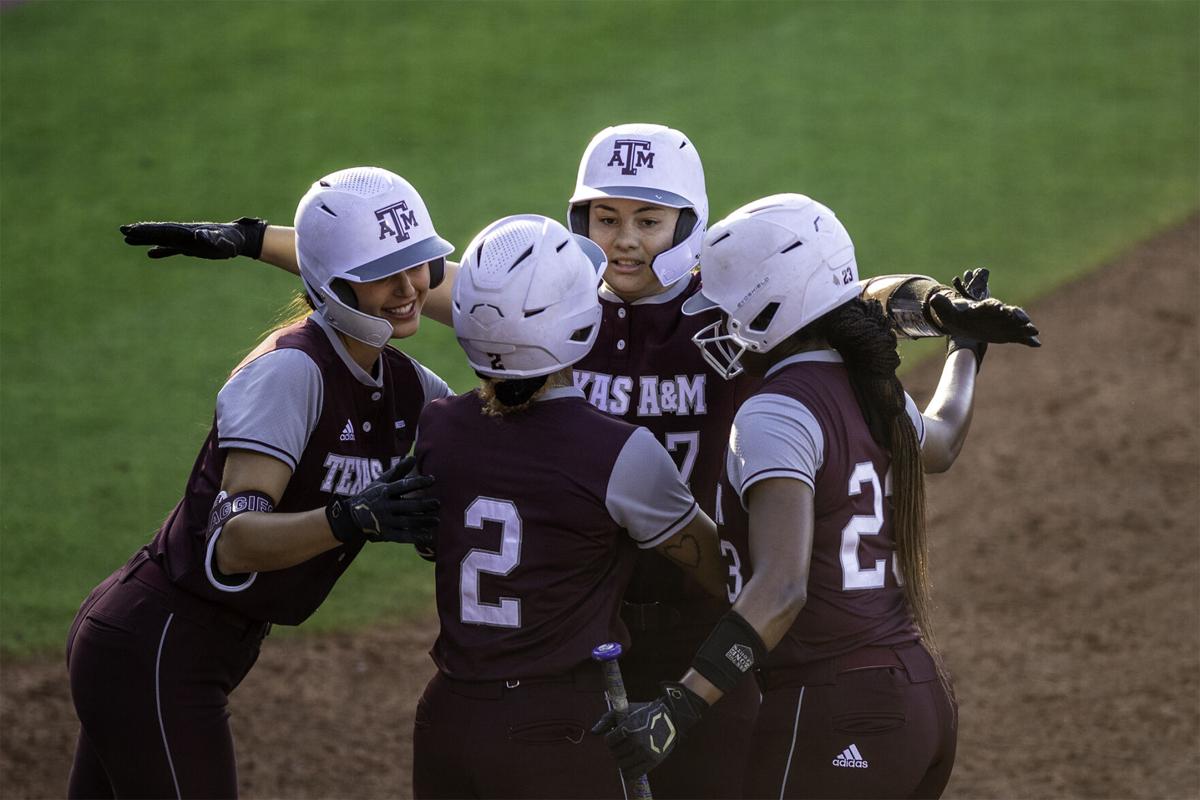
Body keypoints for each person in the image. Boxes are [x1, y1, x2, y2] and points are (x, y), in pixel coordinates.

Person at [119, 124, 1039, 798]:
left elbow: (843, 292)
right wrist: (256, 240)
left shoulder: (730, 307)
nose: (626, 239)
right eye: (606, 217)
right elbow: (398, 282)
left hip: (703, 621)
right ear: (578, 219)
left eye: (650, 220)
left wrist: (929, 304)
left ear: (692, 226)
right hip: (590, 625)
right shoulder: (546, 305)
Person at [595, 194, 1007, 799]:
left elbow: (782, 589)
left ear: (772, 305)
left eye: (728, 307)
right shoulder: (870, 386)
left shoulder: (773, 412)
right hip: (917, 698)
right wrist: (965, 351)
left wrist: (678, 707)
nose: (716, 322)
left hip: (832, 710)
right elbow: (941, 442)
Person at [67, 166, 451, 798]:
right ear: (333, 283)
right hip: (157, 646)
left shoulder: (407, 384)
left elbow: (479, 445)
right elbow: (233, 541)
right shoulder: (290, 373)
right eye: (384, 272)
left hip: (188, 646)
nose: (410, 287)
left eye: (419, 265)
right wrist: (350, 519)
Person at [409, 214, 727, 799]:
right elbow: (723, 574)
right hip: (557, 729)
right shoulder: (621, 453)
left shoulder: (438, 429)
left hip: (447, 719)